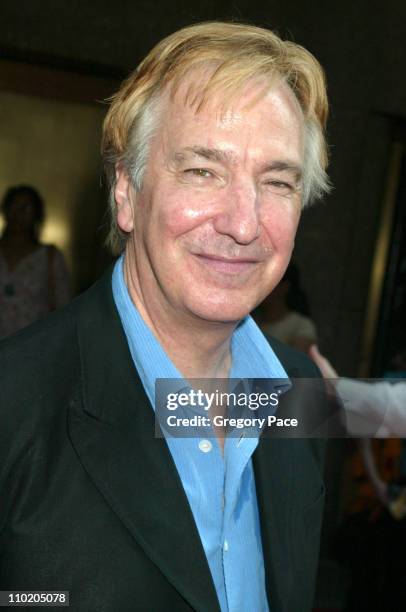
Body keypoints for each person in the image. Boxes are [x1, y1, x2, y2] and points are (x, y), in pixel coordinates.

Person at [0, 23, 331, 612]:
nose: (244, 223)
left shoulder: (299, 394)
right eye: (203, 170)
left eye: (276, 181)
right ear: (127, 190)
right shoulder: (14, 405)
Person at [0, 185, 70, 338]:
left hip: (30, 347)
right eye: (14, 206)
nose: (18, 214)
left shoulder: (49, 257)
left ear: (36, 215)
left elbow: (63, 309)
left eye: (26, 208)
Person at [258, 262, 318, 352]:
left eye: (266, 282)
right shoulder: (250, 322)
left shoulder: (301, 326)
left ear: (284, 288)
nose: (261, 288)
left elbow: (295, 362)